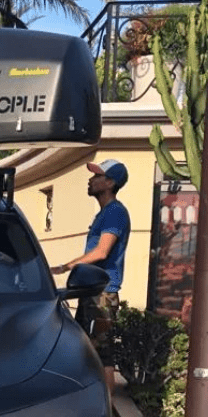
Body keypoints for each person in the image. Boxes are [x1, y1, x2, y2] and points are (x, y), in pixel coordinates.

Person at [51, 159, 131, 395]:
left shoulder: (115, 212)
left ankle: (107, 410)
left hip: (102, 295)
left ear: (110, 183)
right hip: (92, 292)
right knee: (87, 351)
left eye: (97, 176)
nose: (91, 180)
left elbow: (101, 252)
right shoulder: (105, 213)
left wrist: (65, 267)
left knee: (103, 356)